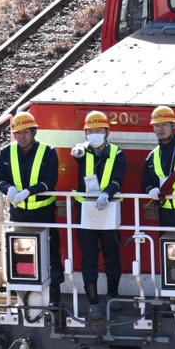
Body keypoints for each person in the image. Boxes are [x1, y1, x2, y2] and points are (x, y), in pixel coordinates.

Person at [0, 111, 62, 298]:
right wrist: (8, 188)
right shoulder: (7, 152)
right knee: (21, 257)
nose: (21, 136)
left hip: (44, 215)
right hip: (19, 216)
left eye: (25, 132)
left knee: (50, 255)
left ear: (33, 132)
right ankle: (24, 298)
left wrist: (27, 192)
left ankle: (55, 300)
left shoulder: (48, 152)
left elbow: (50, 181)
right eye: (17, 133)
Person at [71, 110, 126, 320]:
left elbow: (118, 179)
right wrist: (76, 152)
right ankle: (93, 302)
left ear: (107, 132)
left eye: (98, 130)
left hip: (109, 209)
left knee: (112, 255)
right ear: (85, 133)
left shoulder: (117, 153)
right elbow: (75, 155)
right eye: (91, 131)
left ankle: (113, 294)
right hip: (86, 212)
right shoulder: (82, 152)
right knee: (89, 259)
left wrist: (107, 194)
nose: (95, 134)